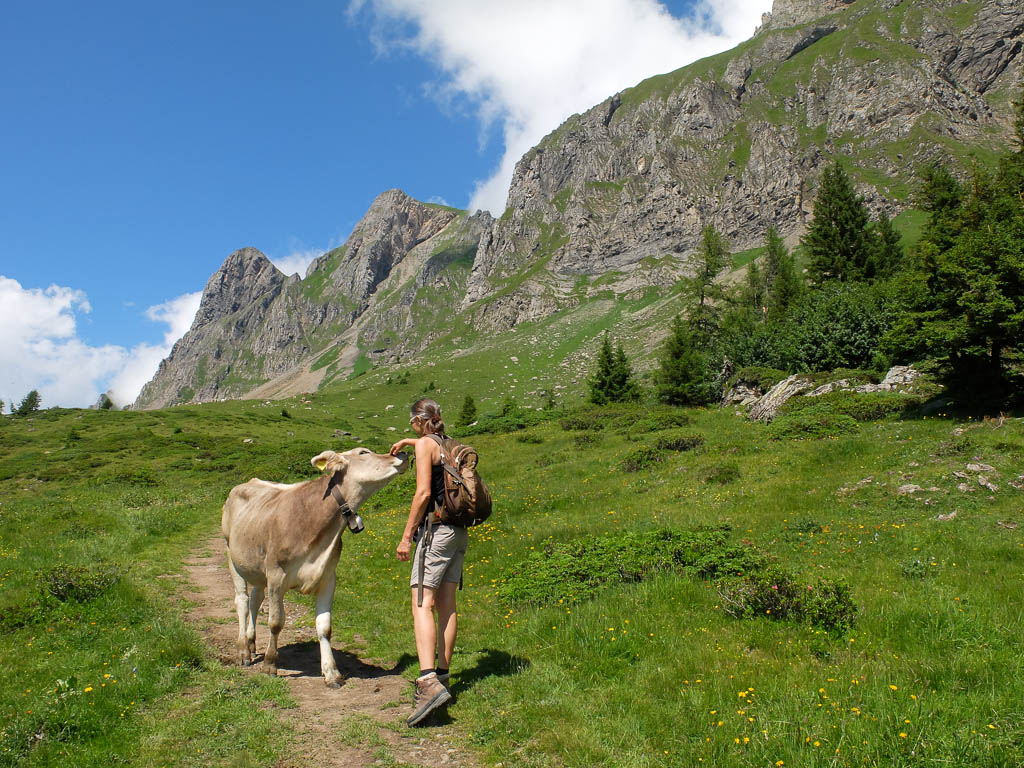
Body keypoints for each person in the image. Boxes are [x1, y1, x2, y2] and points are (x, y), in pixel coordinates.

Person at [389, 397, 468, 726]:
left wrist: (406, 536)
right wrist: (411, 441)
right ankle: (444, 677)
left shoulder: (425, 445)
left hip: (435, 532)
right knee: (447, 605)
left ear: (420, 421)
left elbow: (423, 493)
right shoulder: (449, 444)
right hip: (459, 533)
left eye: (412, 424)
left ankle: (427, 682)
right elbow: (432, 453)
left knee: (422, 602)